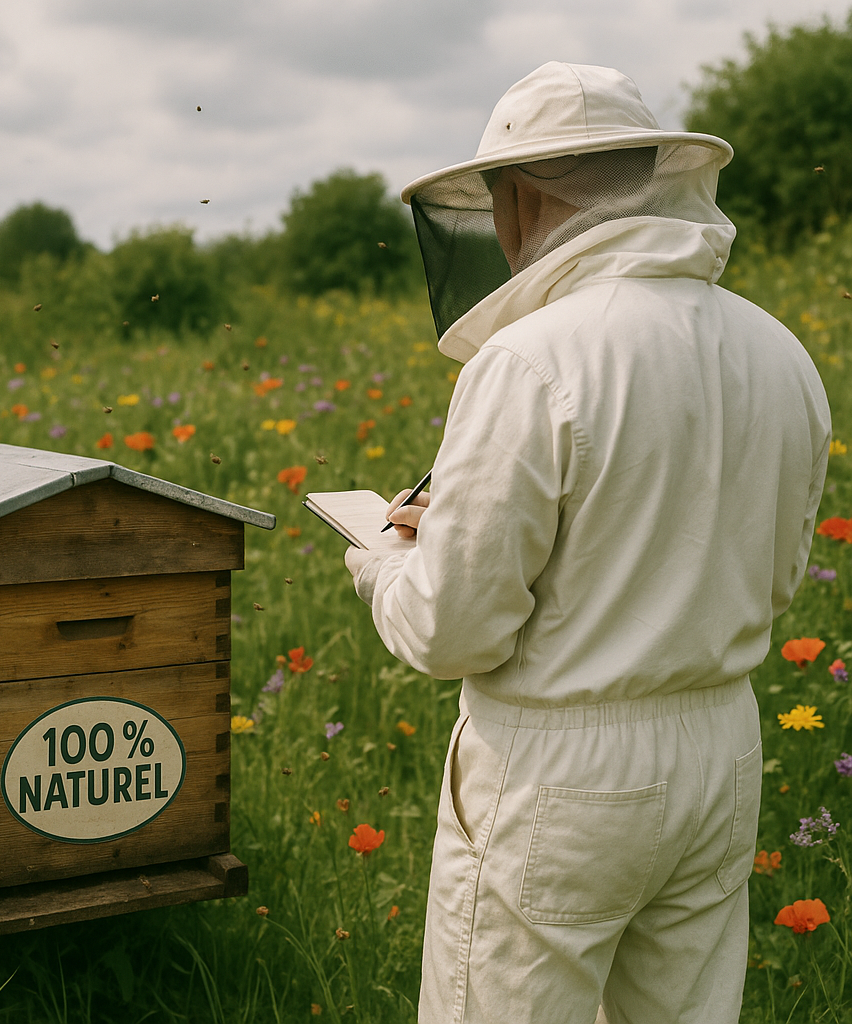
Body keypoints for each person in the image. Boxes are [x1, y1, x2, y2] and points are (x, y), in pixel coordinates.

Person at [343, 62, 830, 1024]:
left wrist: (384, 558)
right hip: (720, 747)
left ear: (522, 197)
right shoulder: (780, 351)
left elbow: (451, 633)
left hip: (558, 773)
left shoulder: (530, 358)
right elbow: (766, 577)